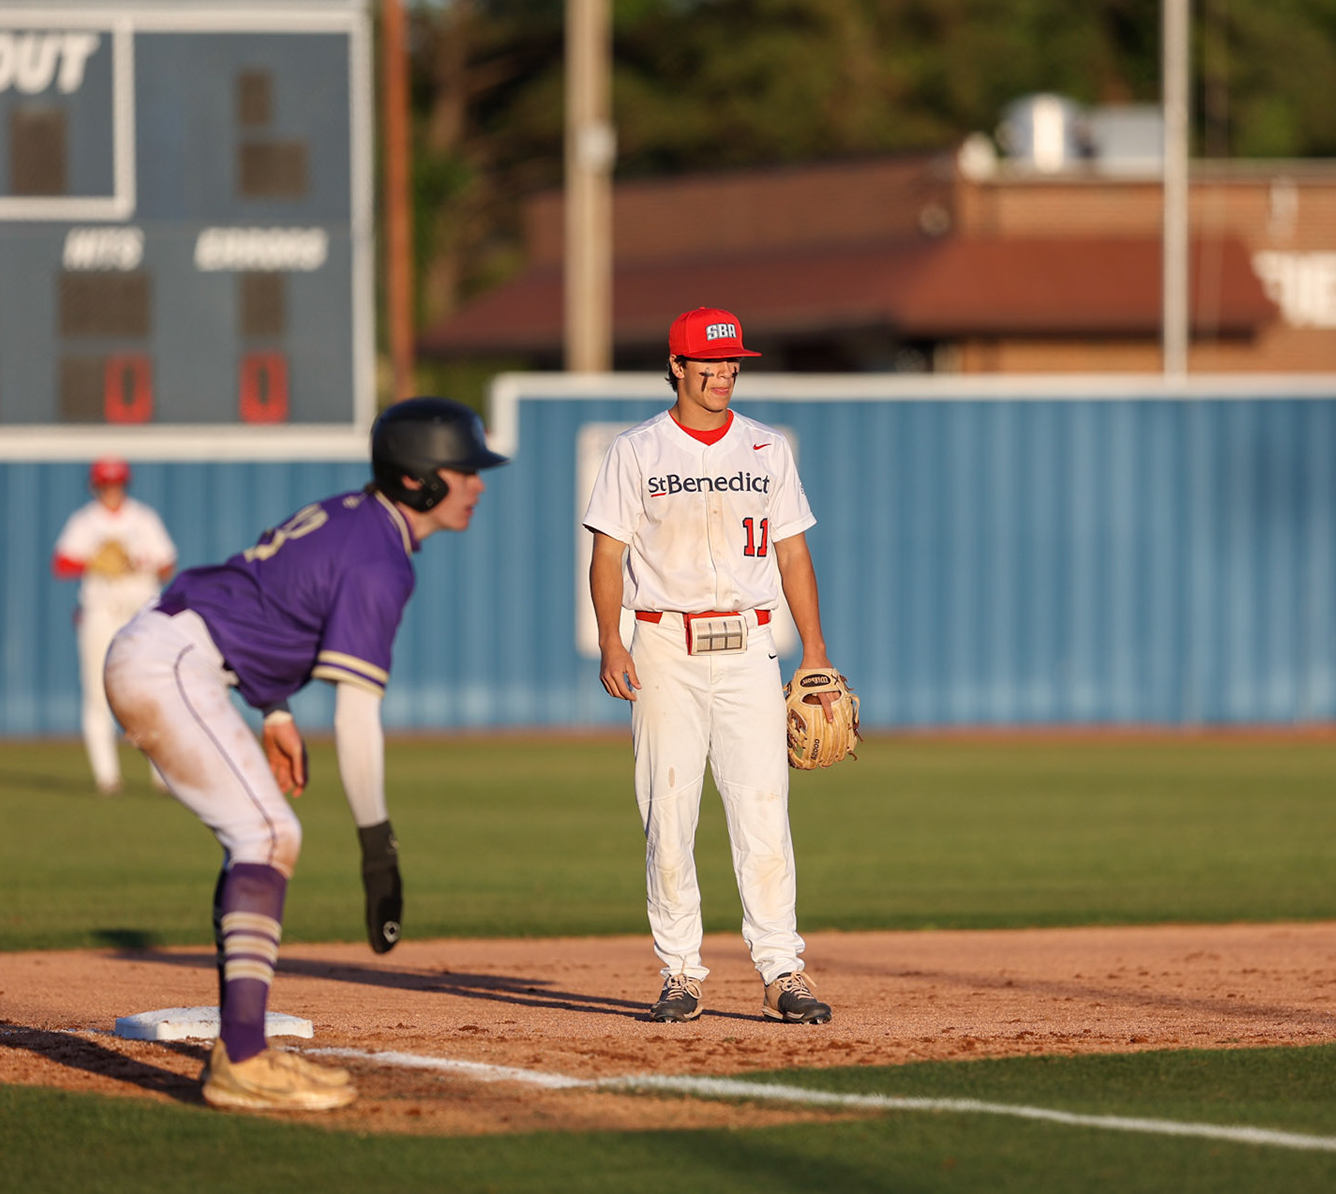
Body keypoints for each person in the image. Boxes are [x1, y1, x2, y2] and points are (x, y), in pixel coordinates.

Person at [103, 398, 508, 1111]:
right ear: (419, 481)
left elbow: (261, 601)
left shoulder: (353, 517)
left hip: (168, 649)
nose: (478, 483)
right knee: (268, 834)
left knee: (255, 838)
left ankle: (244, 1051)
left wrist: (276, 708)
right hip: (170, 663)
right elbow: (356, 720)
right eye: (465, 470)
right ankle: (245, 1061)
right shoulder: (380, 558)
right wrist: (378, 847)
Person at [584, 306, 840, 1026]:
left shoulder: (766, 448)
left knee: (763, 811)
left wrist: (814, 650)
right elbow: (608, 555)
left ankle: (781, 969)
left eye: (731, 363)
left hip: (752, 647)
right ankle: (680, 973)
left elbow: (792, 552)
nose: (723, 373)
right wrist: (613, 638)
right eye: (709, 363)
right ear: (677, 367)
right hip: (665, 647)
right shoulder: (637, 451)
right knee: (668, 814)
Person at [52, 459, 177, 795]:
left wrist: (133, 561)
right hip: (101, 612)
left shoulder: (142, 518)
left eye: (116, 483)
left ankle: (160, 774)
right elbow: (61, 562)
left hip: (141, 611)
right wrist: (93, 560)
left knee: (148, 692)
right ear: (95, 486)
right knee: (97, 694)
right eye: (105, 485)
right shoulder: (85, 521)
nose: (111, 490)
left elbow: (167, 564)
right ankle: (107, 778)